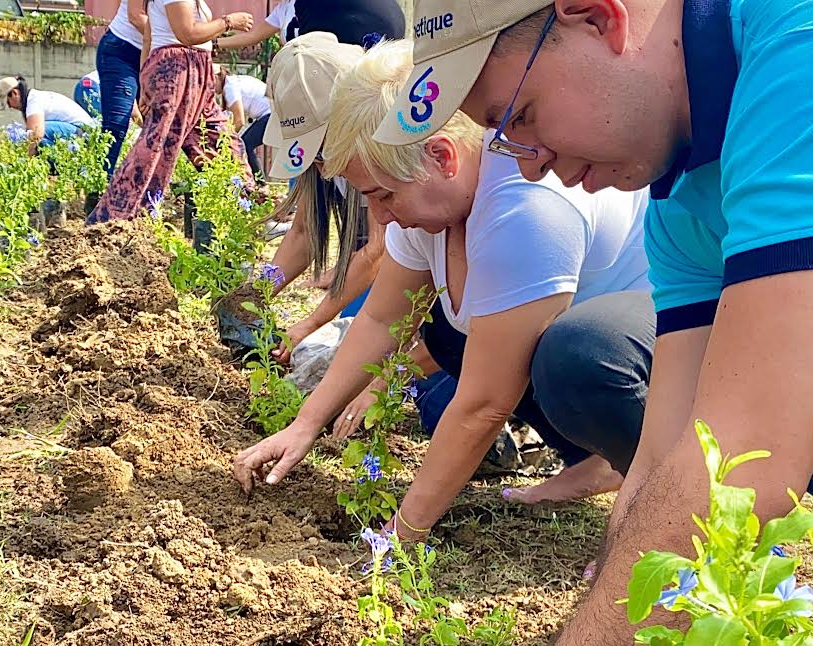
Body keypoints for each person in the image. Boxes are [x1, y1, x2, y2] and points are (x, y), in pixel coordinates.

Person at [373, 0, 813, 642]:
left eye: (520, 116)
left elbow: (752, 449)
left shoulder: (793, 47)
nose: (528, 163)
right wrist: (617, 590)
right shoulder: (677, 203)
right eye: (503, 140)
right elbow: (663, 453)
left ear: (598, 19)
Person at [234, 39, 656, 530]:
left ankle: (655, 481)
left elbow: (484, 403)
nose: (381, 216)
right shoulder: (434, 203)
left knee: (576, 353)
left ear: (441, 156)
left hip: (653, 352)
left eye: (384, 195)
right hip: (585, 359)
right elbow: (381, 316)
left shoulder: (525, 210)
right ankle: (598, 459)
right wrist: (304, 424)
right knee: (447, 331)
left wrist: (402, 534)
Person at [257, 33, 382, 364]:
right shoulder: (318, 159)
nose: (319, 160)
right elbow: (303, 233)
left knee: (353, 344)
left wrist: (310, 323)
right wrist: (253, 295)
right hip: (371, 268)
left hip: (408, 276)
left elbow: (378, 251)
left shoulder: (379, 142)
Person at [86, 0, 254, 223]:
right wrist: (228, 22)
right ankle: (114, 216)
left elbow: (150, 35)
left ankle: (246, 207)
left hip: (193, 71)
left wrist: (145, 77)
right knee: (156, 146)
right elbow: (187, 33)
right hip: (175, 70)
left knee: (218, 138)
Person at [95, 0, 145, 178]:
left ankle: (144, 189)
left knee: (159, 123)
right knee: (115, 125)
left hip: (155, 54)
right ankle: (98, 189)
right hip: (122, 50)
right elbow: (136, 17)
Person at [0, 75, 96, 157]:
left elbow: (36, 135)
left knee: (34, 134)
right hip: (77, 135)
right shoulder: (34, 99)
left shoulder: (34, 100)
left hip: (84, 133)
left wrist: (25, 163)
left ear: (14, 93)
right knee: (43, 145)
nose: (10, 106)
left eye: (8, 102)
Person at [215, 66, 270, 179]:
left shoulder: (230, 87)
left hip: (270, 114)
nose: (209, 87)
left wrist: (225, 140)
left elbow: (239, 121)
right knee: (243, 143)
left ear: (216, 77)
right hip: (270, 113)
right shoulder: (233, 82)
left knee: (244, 144)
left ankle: (261, 184)